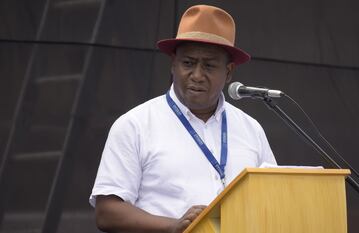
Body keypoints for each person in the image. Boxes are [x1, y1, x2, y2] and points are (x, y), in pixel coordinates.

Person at [89, 4, 277, 233]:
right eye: (188, 63)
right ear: (173, 64)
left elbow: (273, 198)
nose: (197, 75)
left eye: (209, 65)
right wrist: (173, 226)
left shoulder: (251, 129)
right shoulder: (134, 125)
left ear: (228, 72)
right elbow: (107, 212)